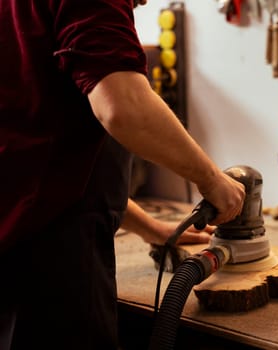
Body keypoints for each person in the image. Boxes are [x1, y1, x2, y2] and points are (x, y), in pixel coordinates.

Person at [0, 0, 245, 349]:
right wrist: (212, 180)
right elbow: (123, 108)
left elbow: (42, 159)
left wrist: (153, 229)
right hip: (50, 273)